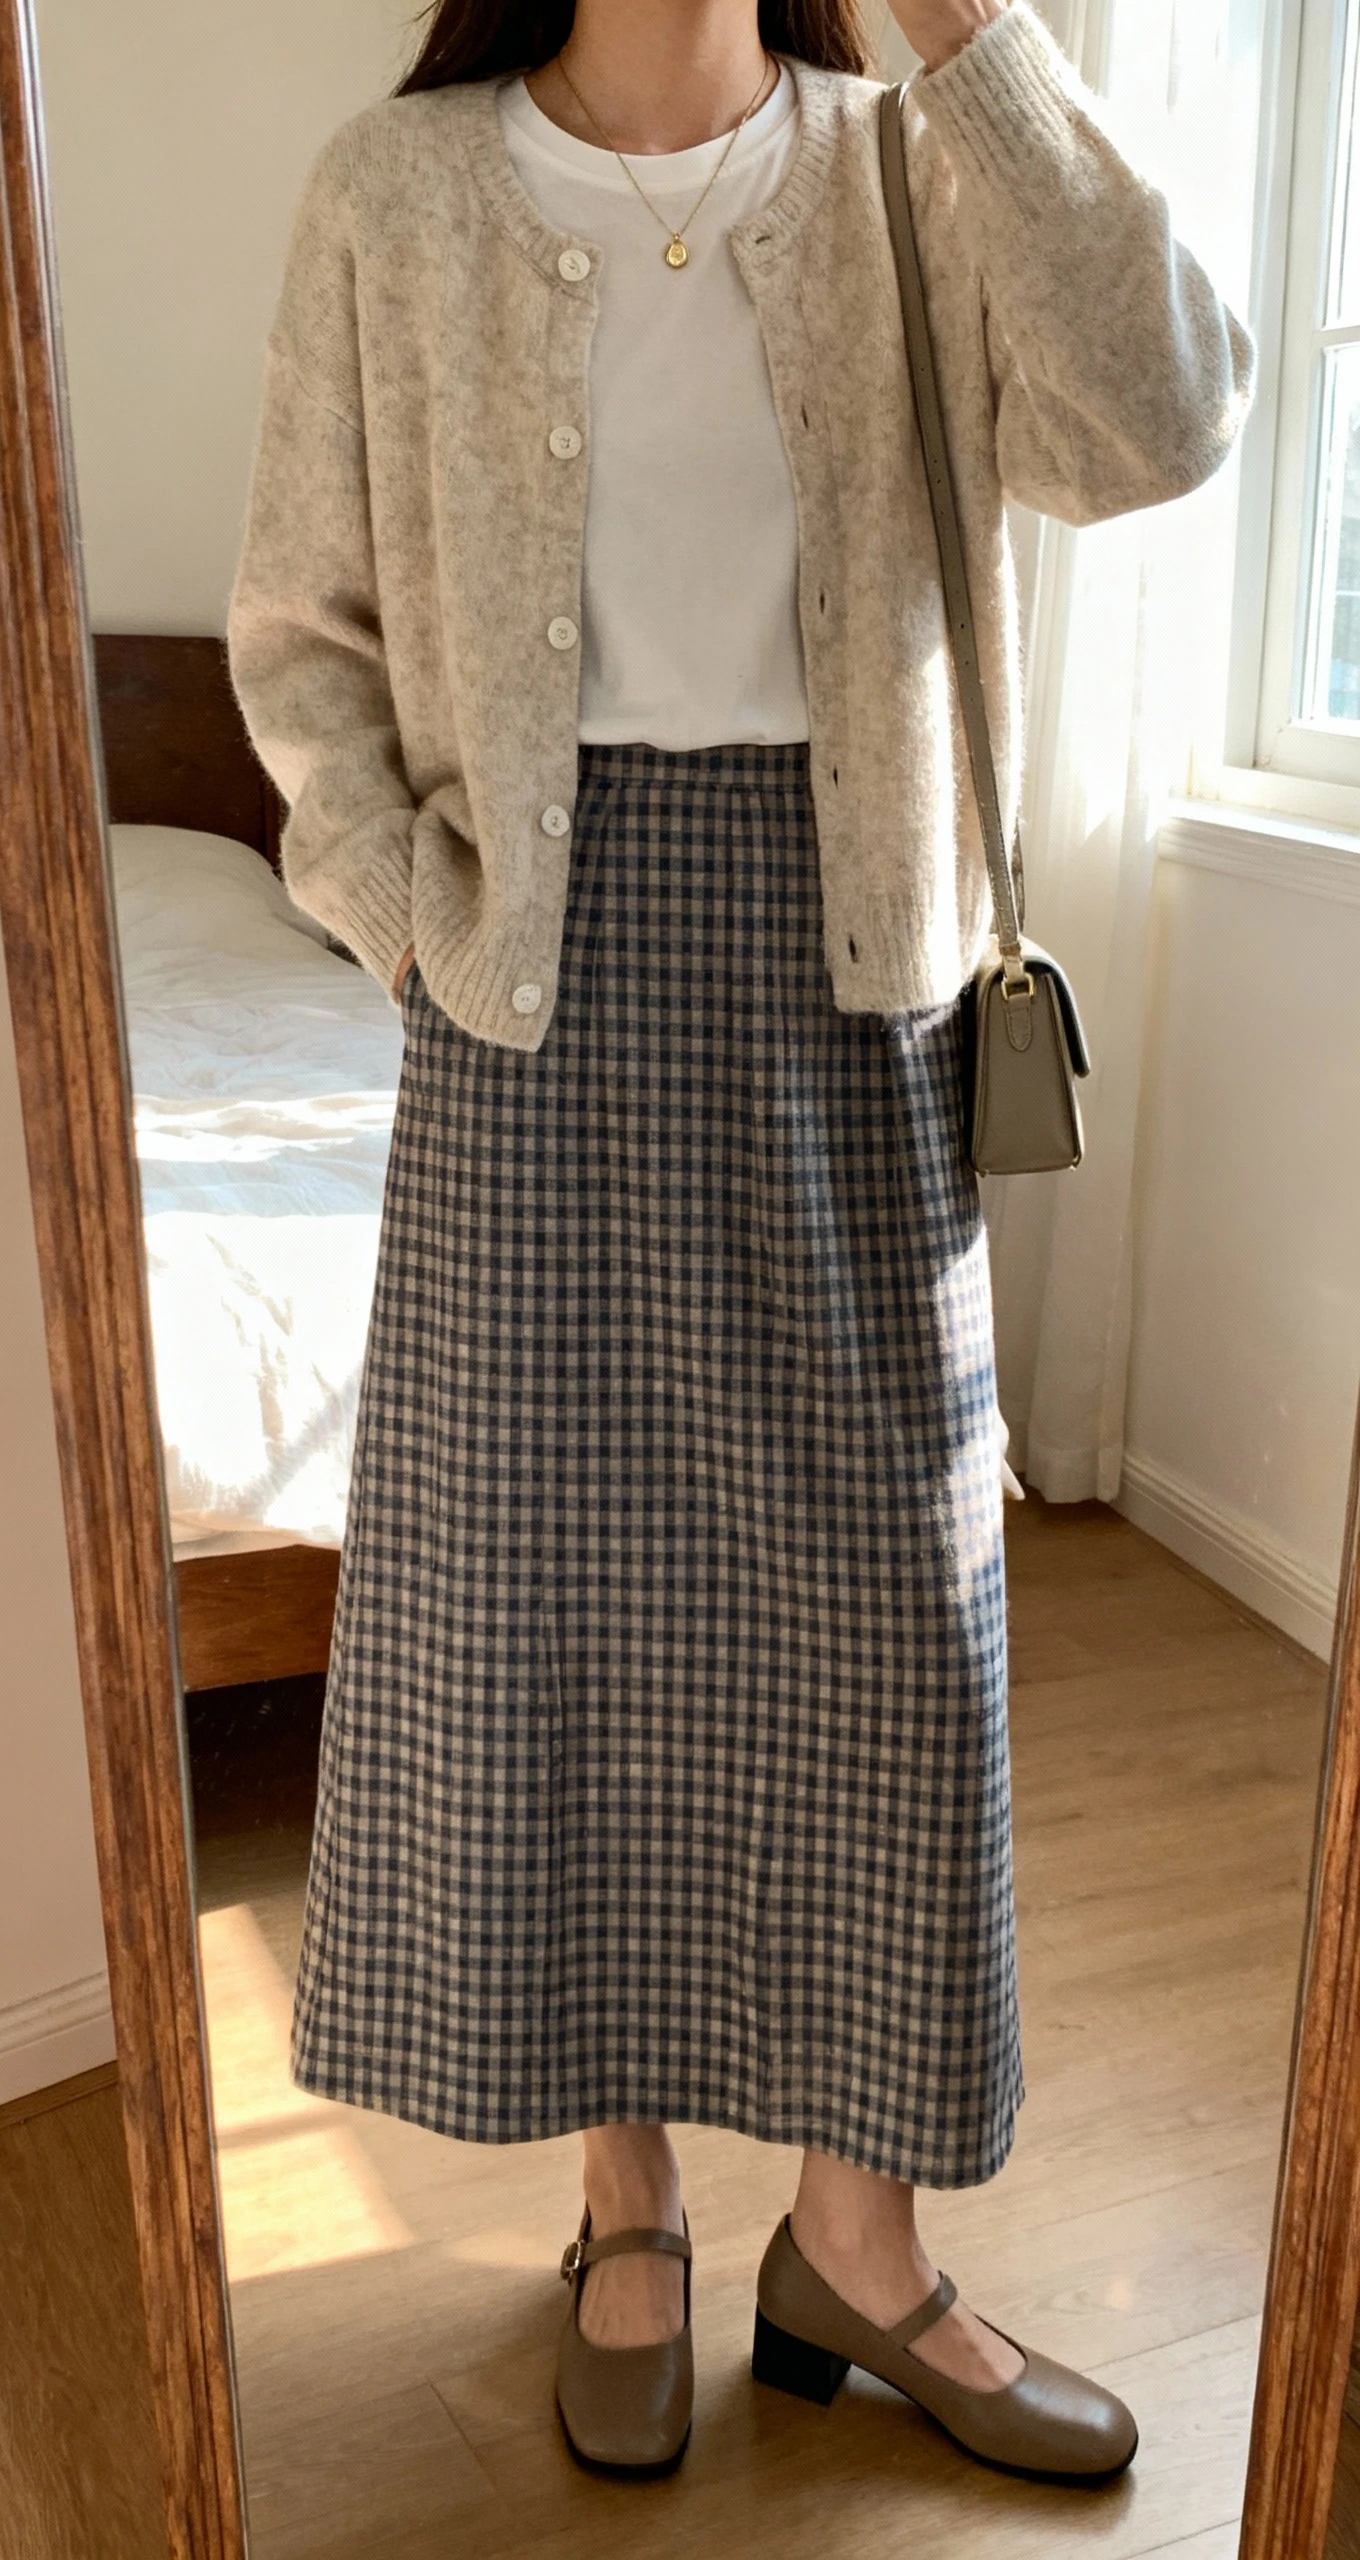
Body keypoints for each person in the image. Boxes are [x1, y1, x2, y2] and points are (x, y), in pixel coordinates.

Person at [228, 0, 1252, 2485]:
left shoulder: (920, 167)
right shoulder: (400, 192)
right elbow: (301, 642)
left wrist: (970, 38)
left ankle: (862, 2246)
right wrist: (417, 919)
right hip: (530, 1004)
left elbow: (1172, 407)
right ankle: (627, 2201)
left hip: (850, 993)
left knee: (894, 1626)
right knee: (560, 1608)